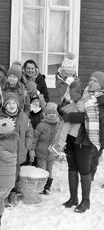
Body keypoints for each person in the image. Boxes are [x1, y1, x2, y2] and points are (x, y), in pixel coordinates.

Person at [61, 71, 104, 213]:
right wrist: (64, 107)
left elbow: (90, 117)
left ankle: (86, 201)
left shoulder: (101, 100)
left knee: (84, 170)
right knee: (72, 168)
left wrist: (70, 116)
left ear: (101, 85)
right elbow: (69, 106)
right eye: (90, 79)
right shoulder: (82, 94)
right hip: (71, 136)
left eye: (95, 81)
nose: (91, 82)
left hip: (85, 139)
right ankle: (73, 198)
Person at [0, 92, 33, 205]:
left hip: (19, 151)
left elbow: (29, 132)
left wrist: (27, 145)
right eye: (8, 103)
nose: (12, 105)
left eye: (14, 103)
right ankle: (5, 195)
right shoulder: (2, 118)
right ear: (4, 106)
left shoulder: (24, 117)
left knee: (15, 174)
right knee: (6, 174)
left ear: (17, 105)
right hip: (6, 153)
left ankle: (13, 193)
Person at [30, 103, 62, 194]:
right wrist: (32, 150)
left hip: (52, 153)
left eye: (54, 113)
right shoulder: (41, 125)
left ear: (57, 114)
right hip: (41, 152)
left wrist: (60, 151)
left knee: (49, 170)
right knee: (42, 169)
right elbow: (35, 138)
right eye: (49, 113)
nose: (52, 114)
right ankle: (41, 187)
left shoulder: (58, 125)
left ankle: (47, 187)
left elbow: (61, 139)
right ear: (46, 114)